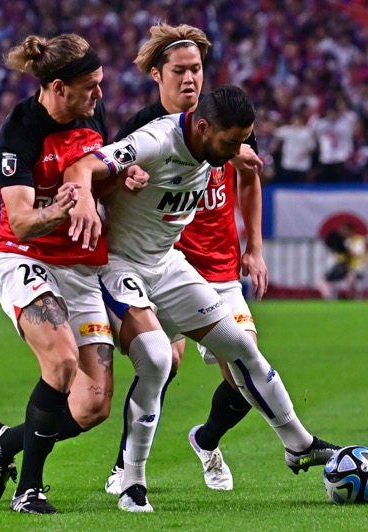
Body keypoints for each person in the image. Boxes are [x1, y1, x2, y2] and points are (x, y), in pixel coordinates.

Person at [65, 85, 339, 512]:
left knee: (242, 347)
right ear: (205, 126)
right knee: (157, 358)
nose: (237, 150)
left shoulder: (218, 147)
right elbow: (84, 165)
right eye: (231, 142)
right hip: (118, 265)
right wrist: (84, 199)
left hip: (167, 263)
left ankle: (299, 445)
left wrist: (240, 157)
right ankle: (132, 483)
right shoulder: (155, 140)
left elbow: (239, 166)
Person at [0, 33, 145, 515]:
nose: (99, 94)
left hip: (79, 268)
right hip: (26, 258)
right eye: (90, 86)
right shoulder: (19, 133)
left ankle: (6, 443)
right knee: (60, 361)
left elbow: (99, 172)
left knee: (93, 405)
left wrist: (121, 179)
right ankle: (29, 490)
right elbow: (24, 221)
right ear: (57, 87)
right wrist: (67, 205)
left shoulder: (89, 114)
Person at [100, 23, 267, 495]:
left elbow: (250, 174)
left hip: (216, 266)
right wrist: (121, 180)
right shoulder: (144, 129)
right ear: (158, 75)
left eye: (196, 69)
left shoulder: (225, 116)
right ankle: (124, 469)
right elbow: (106, 182)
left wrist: (253, 247)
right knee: (161, 364)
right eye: (180, 71)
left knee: (243, 371)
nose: (190, 79)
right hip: (163, 263)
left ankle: (207, 440)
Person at [316, 222, 367, 300]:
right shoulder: (342, 241)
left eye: (345, 230)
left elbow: (357, 253)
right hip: (343, 267)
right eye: (342, 231)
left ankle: (355, 299)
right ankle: (329, 299)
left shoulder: (358, 239)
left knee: (350, 279)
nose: (343, 233)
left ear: (351, 231)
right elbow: (338, 257)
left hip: (356, 268)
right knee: (322, 281)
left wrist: (348, 246)